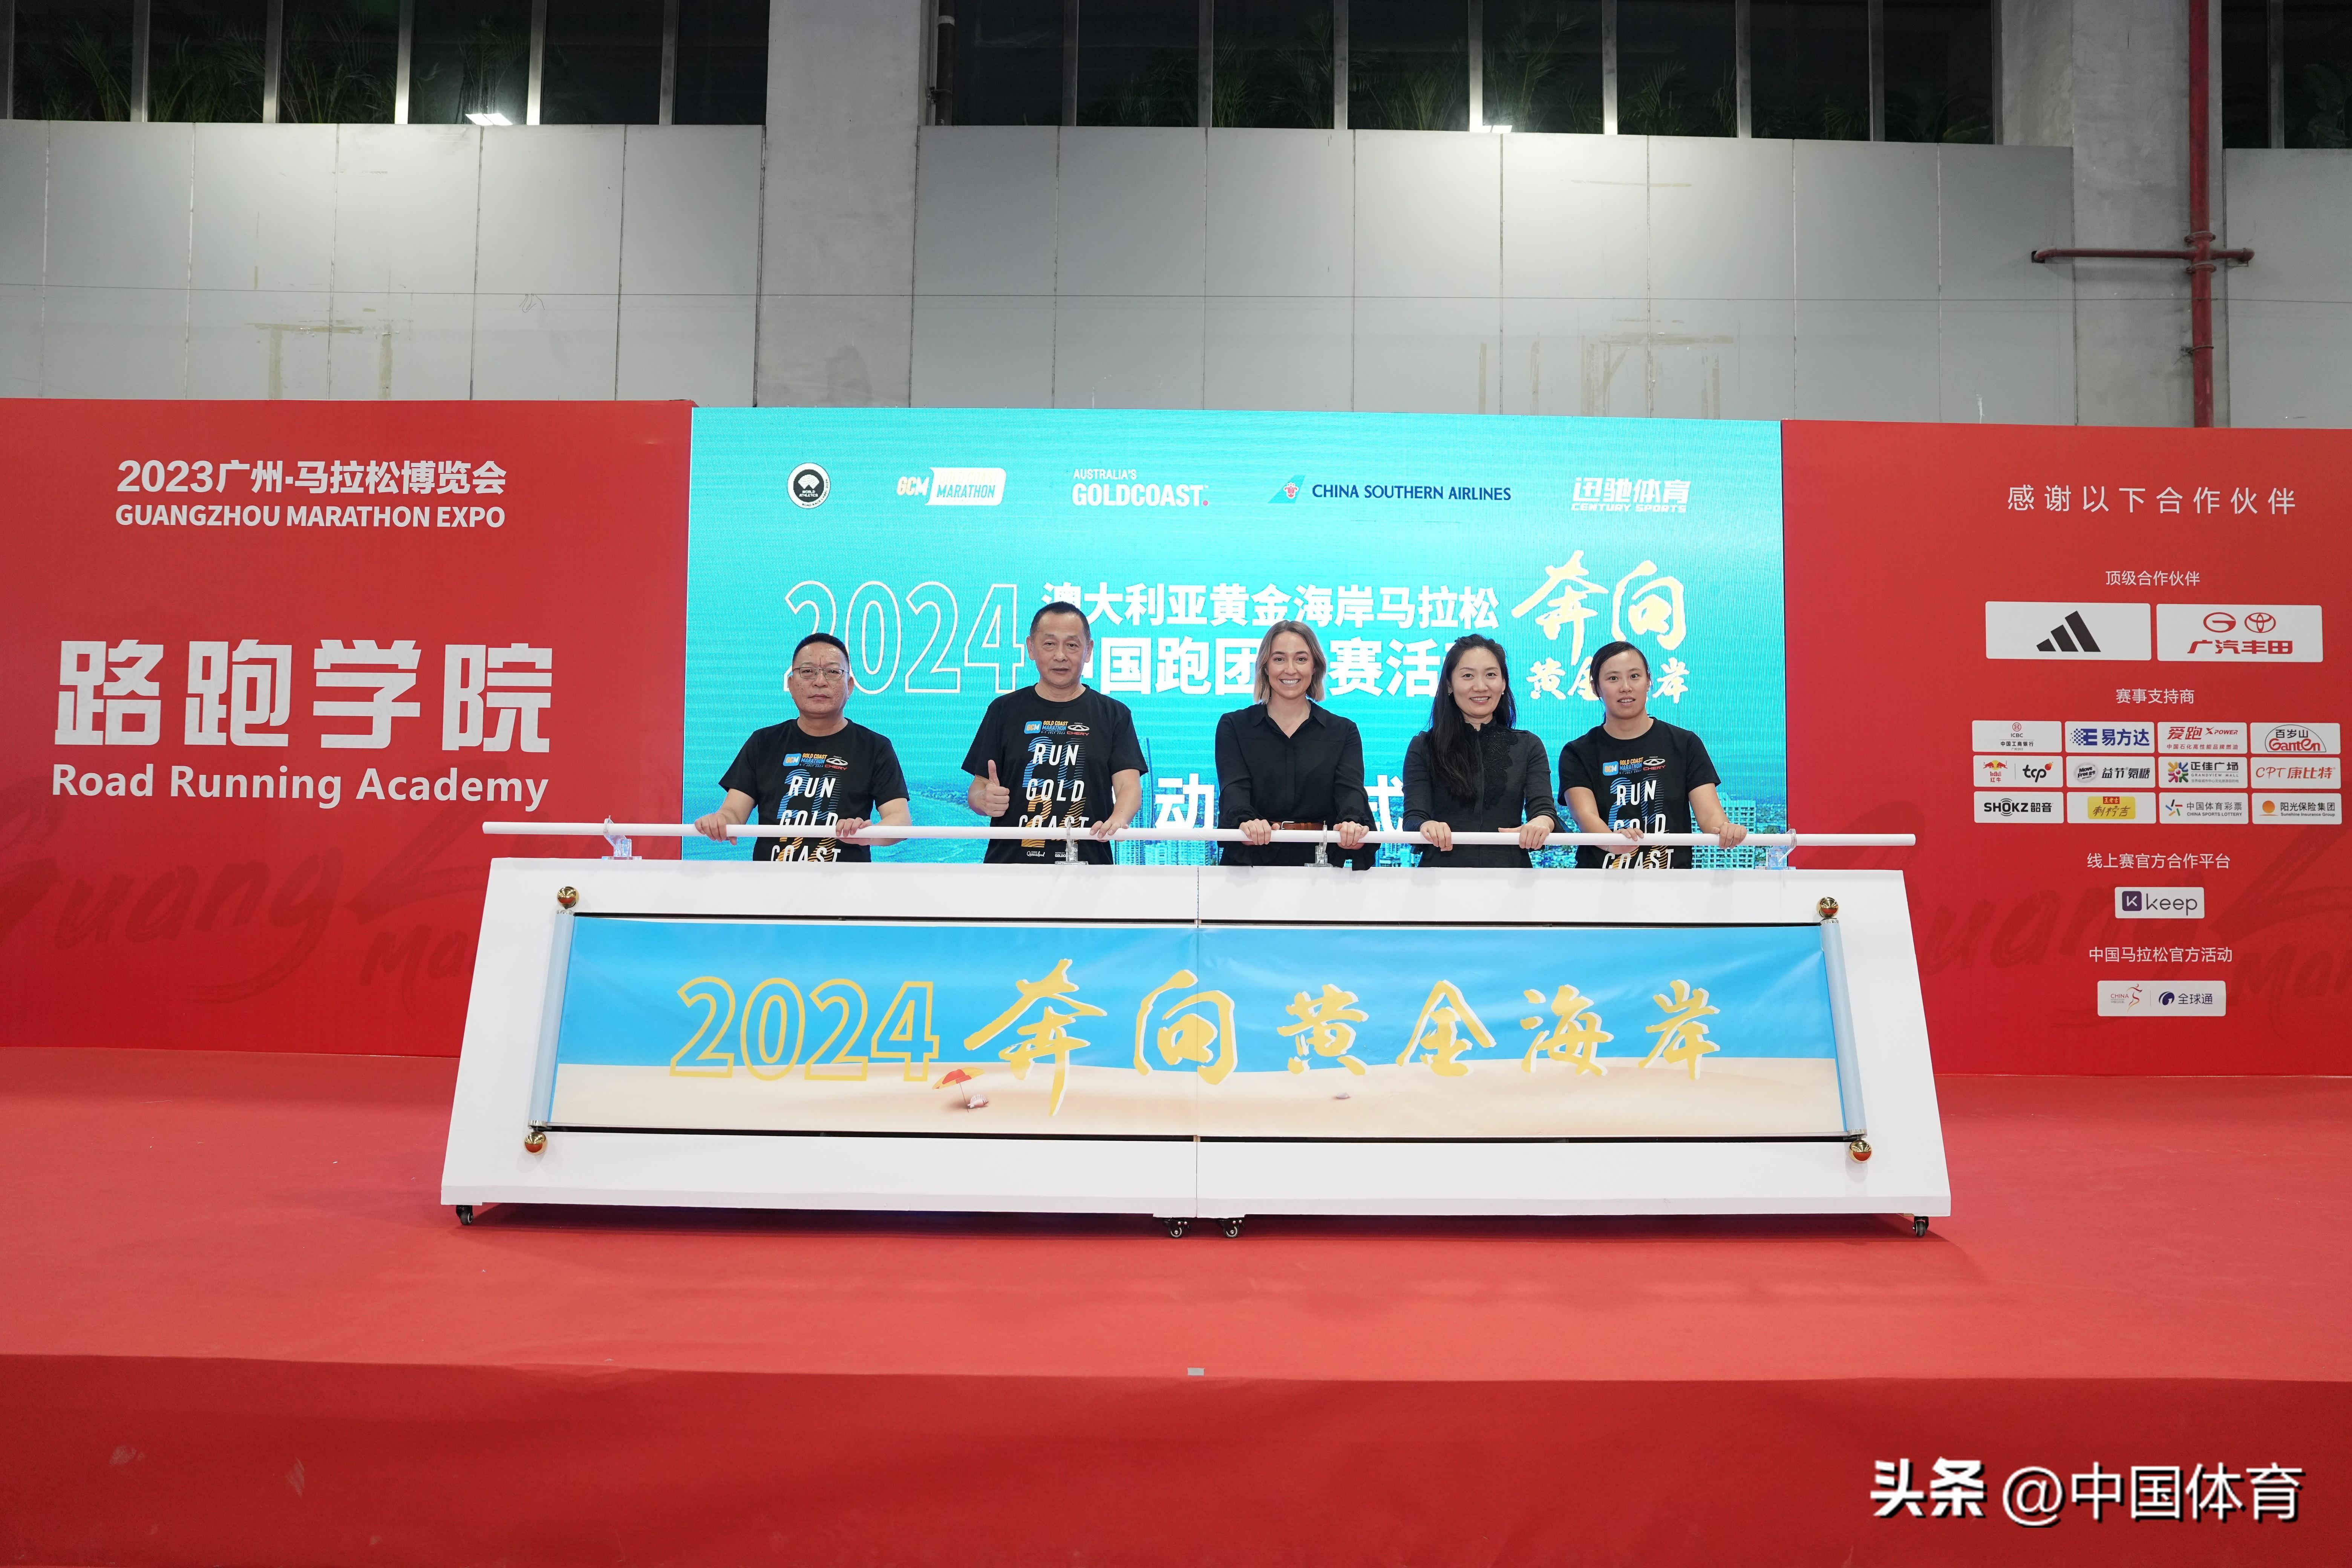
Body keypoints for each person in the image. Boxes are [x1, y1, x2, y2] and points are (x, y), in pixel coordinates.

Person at [696, 632, 911, 862]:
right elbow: (733, 813)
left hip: (846, 881)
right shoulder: (764, 742)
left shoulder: (874, 747)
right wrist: (720, 821)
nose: (820, 682)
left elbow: (900, 820)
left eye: (833, 672)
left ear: (849, 686)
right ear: (791, 684)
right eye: (808, 671)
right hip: (770, 879)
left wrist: (867, 835)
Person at [961, 602, 1145, 864]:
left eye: (1072, 645)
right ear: (1031, 648)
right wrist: (983, 800)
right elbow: (978, 787)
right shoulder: (1004, 710)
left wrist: (1119, 819)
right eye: (1049, 644)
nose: (1061, 655)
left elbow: (1129, 785)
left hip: (1088, 867)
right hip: (1010, 866)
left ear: (1089, 650)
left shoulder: (1114, 714)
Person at [1557, 640, 1749, 870]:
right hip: (1601, 881)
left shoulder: (1684, 744)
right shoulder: (1578, 752)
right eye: (1613, 678)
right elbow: (1585, 815)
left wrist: (1726, 829)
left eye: (1635, 676)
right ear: (1596, 688)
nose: (1626, 687)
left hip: (1672, 882)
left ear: (1649, 681)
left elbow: (1710, 816)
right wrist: (1612, 842)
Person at [1212, 620, 1375, 869]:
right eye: (1279, 659)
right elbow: (1234, 788)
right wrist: (1246, 822)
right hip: (1250, 863)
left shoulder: (1343, 731)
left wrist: (1352, 825)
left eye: (1301, 659)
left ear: (1315, 666)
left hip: (1321, 866)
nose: (1290, 670)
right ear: (1265, 667)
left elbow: (1350, 792)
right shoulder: (1234, 726)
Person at [1401, 635, 1559, 868]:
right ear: (1449, 685)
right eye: (1468, 676)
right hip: (1440, 877)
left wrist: (1542, 823)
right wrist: (1427, 826)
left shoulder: (1528, 745)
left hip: (1511, 876)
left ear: (1504, 684)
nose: (1481, 686)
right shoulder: (1424, 746)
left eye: (1491, 675)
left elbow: (1544, 809)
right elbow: (1414, 817)